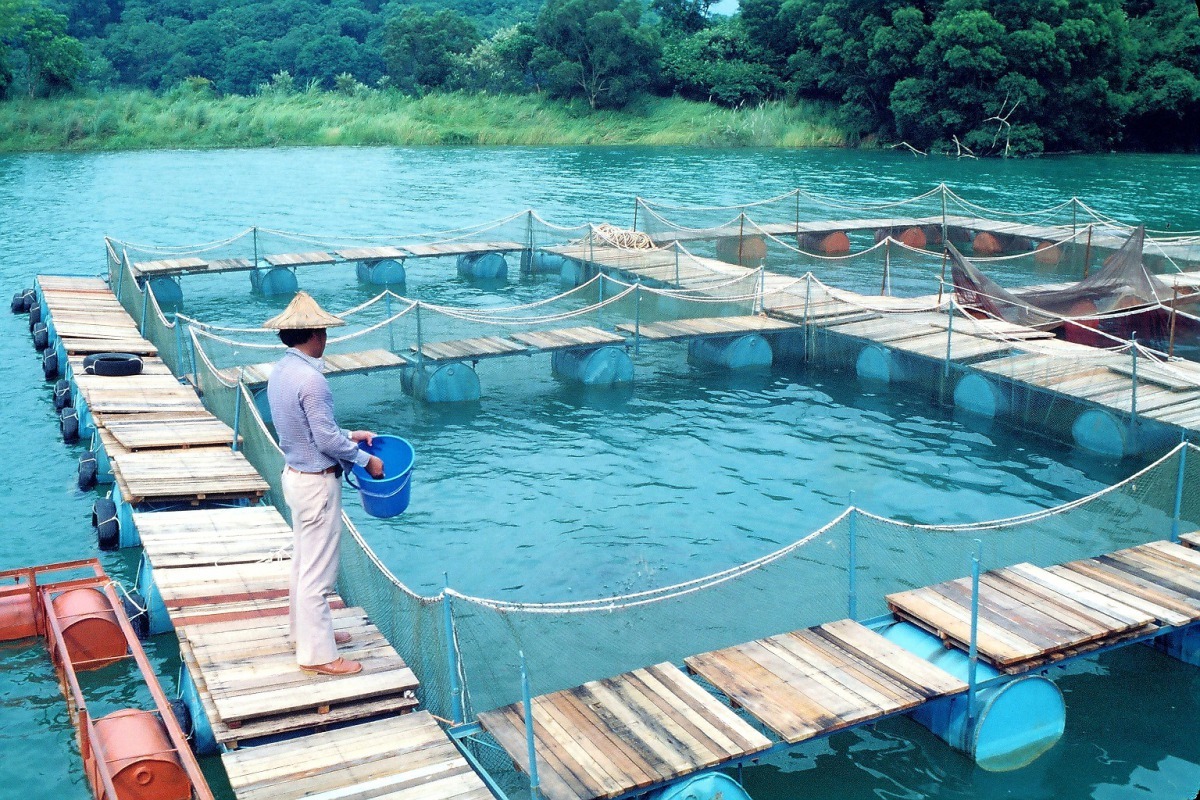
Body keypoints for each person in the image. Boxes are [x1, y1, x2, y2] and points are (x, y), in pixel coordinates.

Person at [264, 292, 384, 677]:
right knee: (319, 573)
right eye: (324, 332)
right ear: (314, 334)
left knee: (303, 563)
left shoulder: (281, 371)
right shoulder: (313, 381)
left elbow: (310, 431)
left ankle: (308, 635)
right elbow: (327, 442)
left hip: (294, 477)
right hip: (317, 486)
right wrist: (369, 460)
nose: (326, 339)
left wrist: (352, 433)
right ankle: (319, 656)